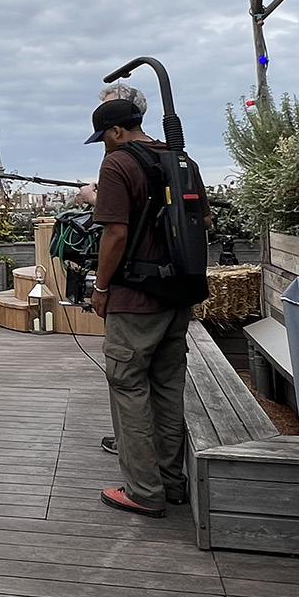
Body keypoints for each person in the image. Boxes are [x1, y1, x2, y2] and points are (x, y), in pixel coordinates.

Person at [86, 98, 210, 519]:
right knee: (167, 389)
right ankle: (172, 485)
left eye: (103, 137)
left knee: (129, 388)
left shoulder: (118, 164)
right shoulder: (181, 159)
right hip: (177, 296)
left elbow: (115, 235)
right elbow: (204, 223)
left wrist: (101, 286)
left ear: (117, 131)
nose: (103, 145)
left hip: (135, 300)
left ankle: (142, 491)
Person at [75, 83, 148, 208]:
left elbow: (117, 215)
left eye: (110, 108)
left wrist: (92, 198)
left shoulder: (117, 162)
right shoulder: (165, 152)